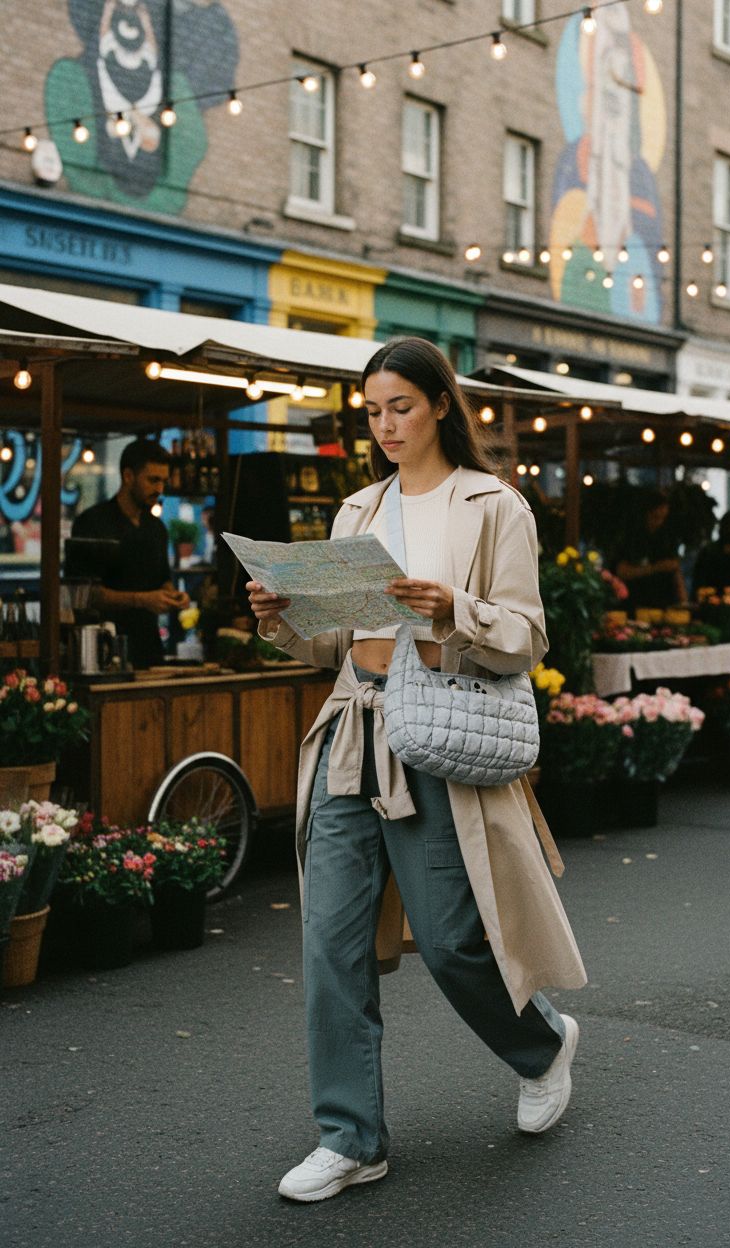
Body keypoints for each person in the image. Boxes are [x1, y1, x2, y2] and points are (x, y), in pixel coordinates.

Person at [248, 338, 586, 1203]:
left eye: (399, 406)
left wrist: (455, 609)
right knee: (329, 941)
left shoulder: (494, 505)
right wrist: (281, 615)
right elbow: (330, 640)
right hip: (349, 729)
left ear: (439, 404)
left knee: (447, 940)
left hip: (434, 733)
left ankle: (542, 1048)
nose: (385, 425)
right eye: (371, 411)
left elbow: (528, 637)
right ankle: (350, 1137)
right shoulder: (357, 510)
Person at [71, 439, 188, 669]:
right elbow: (83, 594)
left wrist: (173, 596)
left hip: (150, 650)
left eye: (164, 481)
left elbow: (163, 579)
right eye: (153, 480)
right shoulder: (92, 523)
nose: (160, 489)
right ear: (128, 476)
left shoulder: (157, 528)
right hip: (103, 652)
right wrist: (142, 599)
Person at [615, 489, 685, 609]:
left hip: (665, 603)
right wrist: (655, 568)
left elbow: (676, 571)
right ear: (645, 514)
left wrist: (683, 601)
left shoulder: (666, 536)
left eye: (663, 518)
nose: (659, 522)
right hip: (637, 603)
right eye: (655, 517)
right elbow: (622, 572)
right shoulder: (632, 537)